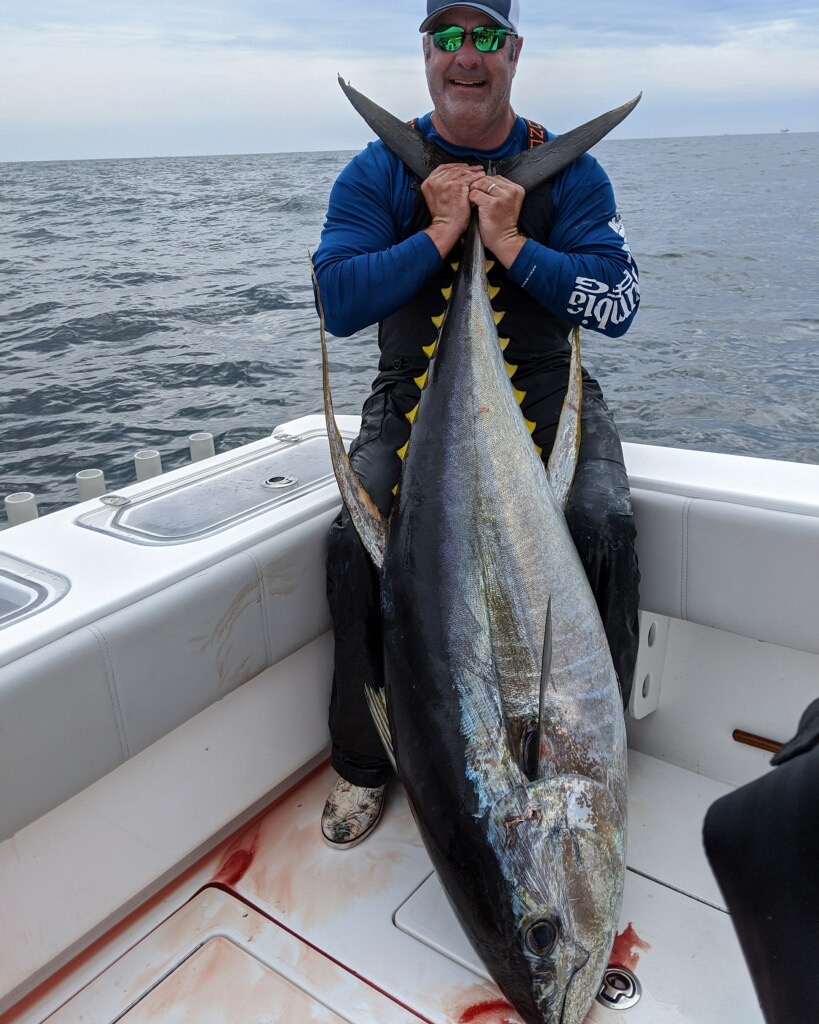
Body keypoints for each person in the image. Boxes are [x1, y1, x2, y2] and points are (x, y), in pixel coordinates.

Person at [312, 0, 641, 849]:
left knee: (598, 526)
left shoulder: (571, 174)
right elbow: (336, 301)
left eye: (486, 37)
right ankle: (363, 761)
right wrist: (441, 230)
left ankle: (596, 751)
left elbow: (616, 306)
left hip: (550, 395)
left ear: (513, 51)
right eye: (449, 36)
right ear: (426, 51)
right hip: (411, 401)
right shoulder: (376, 173)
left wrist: (509, 240)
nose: (467, 55)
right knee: (354, 542)